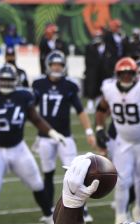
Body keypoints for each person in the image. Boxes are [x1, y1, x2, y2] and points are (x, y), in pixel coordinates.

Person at [0, 65, 66, 224]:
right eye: (3, 80)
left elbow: (35, 118)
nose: (6, 83)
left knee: (37, 183)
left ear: (16, 81)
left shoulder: (24, 96)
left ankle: (48, 217)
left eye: (9, 80)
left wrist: (51, 132)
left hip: (18, 148)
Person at [95, 56, 140, 224]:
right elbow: (101, 108)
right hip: (123, 141)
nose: (126, 76)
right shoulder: (110, 87)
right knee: (121, 180)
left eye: (129, 73)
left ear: (135, 73)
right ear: (116, 74)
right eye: (122, 73)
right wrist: (99, 128)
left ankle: (139, 211)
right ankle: (119, 218)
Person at [33, 51, 97, 213]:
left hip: (65, 136)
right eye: (54, 64)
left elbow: (80, 110)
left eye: (59, 65)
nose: (56, 67)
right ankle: (48, 210)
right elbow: (30, 110)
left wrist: (89, 131)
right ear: (48, 66)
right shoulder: (39, 84)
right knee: (47, 173)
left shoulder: (69, 85)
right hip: (45, 137)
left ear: (64, 67)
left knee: (75, 173)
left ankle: (81, 207)